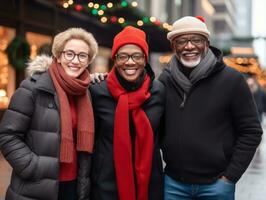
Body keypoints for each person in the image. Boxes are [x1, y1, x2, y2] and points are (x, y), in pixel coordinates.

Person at [158, 16, 263, 200]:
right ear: (174, 46)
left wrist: (230, 177)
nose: (189, 46)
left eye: (196, 40)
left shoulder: (232, 80)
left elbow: (251, 131)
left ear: (206, 43)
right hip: (173, 184)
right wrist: (99, 79)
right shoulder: (165, 81)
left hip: (216, 187)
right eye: (182, 41)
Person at [0, 27, 98, 200]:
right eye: (69, 54)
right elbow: (8, 136)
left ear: (88, 60)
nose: (75, 60)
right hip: (35, 187)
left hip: (74, 186)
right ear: (58, 56)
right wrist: (33, 167)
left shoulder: (87, 92)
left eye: (82, 55)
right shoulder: (32, 88)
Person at [89, 26, 165, 200]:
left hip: (149, 185)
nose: (130, 62)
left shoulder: (159, 91)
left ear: (145, 59)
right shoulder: (98, 91)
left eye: (137, 56)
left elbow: (164, 135)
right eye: (122, 56)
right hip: (107, 185)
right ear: (114, 59)